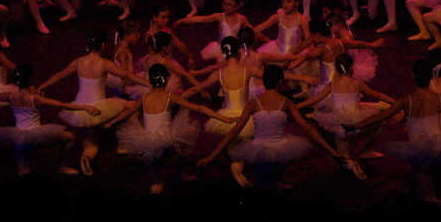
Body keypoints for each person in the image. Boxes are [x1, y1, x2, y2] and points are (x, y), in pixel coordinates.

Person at [351, 58, 441, 209]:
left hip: (420, 152)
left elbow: (381, 116)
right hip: (439, 145)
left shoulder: (407, 100)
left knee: (427, 200)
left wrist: (355, 125)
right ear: (431, 76)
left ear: (413, 76)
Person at [198, 64, 343, 190]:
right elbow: (308, 128)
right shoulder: (286, 102)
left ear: (264, 81)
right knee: (272, 179)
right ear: (280, 82)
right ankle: (273, 186)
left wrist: (212, 155)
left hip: (258, 149)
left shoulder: (253, 103)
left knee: (263, 184)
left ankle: (270, 188)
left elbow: (234, 131)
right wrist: (330, 148)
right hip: (281, 147)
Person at [36, 28, 149, 175]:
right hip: (99, 108)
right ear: (103, 45)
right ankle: (124, 143)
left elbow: (59, 76)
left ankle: (86, 157)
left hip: (80, 109)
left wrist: (41, 87)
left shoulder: (78, 62)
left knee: (91, 145)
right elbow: (127, 75)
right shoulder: (104, 63)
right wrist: (149, 84)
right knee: (132, 106)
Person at [106, 63, 231, 194]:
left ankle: (156, 182)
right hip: (167, 142)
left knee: (151, 157)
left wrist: (110, 123)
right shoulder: (170, 97)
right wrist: (223, 118)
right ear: (166, 79)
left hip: (147, 140)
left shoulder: (144, 98)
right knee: (182, 146)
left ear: (150, 80)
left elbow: (128, 112)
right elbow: (199, 108)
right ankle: (178, 175)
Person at [0, 64, 101, 175]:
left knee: (24, 172)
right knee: (69, 137)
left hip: (18, 138)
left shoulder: (10, 96)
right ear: (30, 80)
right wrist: (85, 107)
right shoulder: (34, 99)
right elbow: (61, 104)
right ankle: (61, 167)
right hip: (37, 137)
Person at [298, 53, 394, 180]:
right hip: (357, 123)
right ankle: (365, 151)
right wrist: (395, 102)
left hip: (338, 126)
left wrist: (295, 106)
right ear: (352, 68)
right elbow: (378, 95)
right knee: (380, 122)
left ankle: (351, 164)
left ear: (337, 68)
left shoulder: (331, 85)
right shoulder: (357, 84)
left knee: (343, 157)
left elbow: (314, 100)